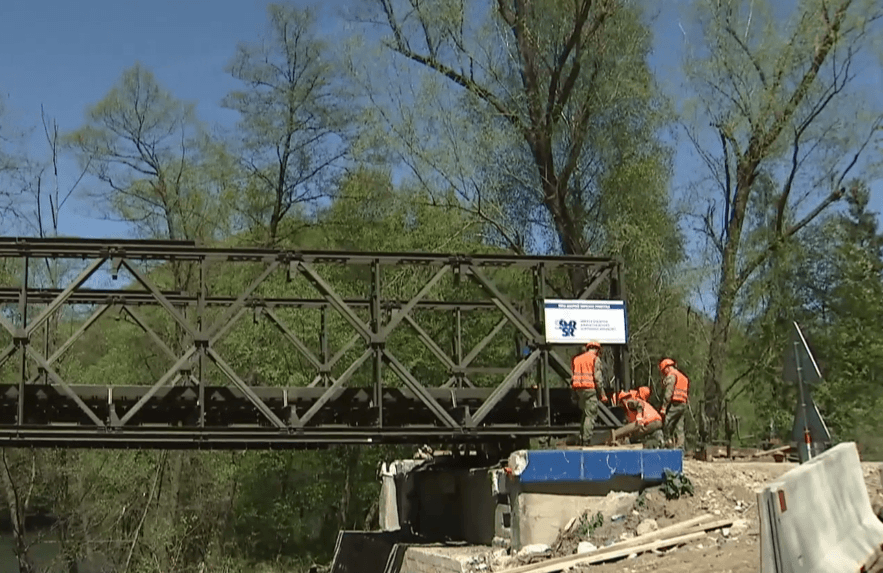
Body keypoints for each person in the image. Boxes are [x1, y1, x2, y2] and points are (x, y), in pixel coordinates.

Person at [570, 340, 608, 446]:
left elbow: (572, 377)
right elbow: (598, 379)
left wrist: (573, 394)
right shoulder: (595, 359)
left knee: (585, 415)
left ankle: (582, 437)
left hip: (579, 391)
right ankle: (586, 440)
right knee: (590, 415)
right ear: (597, 349)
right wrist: (603, 395)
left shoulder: (577, 359)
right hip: (590, 390)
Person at [659, 358, 689, 449]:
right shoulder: (683, 376)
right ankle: (680, 448)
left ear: (667, 368)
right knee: (679, 427)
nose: (664, 374)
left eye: (664, 371)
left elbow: (669, 392)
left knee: (666, 421)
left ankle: (667, 442)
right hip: (683, 404)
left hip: (676, 403)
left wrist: (664, 407)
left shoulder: (672, 375)